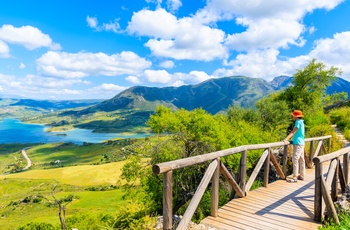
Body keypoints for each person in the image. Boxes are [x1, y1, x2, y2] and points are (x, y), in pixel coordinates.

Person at [283, 110, 305, 183]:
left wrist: (286, 139)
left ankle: (295, 177)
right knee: (301, 159)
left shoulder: (298, 122)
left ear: (295, 116)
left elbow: (293, 131)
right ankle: (302, 175)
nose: (292, 117)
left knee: (295, 158)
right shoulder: (302, 122)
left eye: (293, 116)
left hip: (298, 143)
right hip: (301, 142)